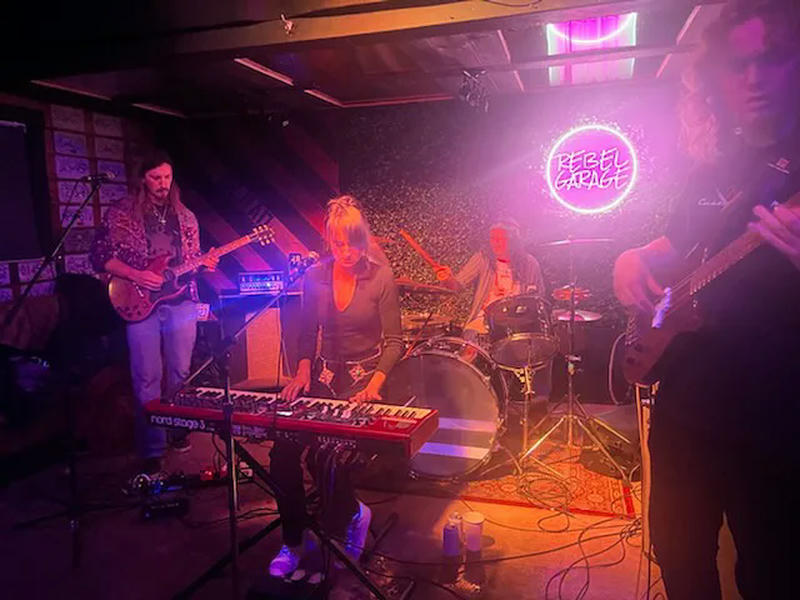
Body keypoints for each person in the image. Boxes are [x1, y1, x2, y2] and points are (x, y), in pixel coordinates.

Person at [613, 2, 800, 598]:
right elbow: (681, 245)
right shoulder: (708, 169)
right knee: (678, 553)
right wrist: (632, 257)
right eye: (738, 64)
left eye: (771, 58)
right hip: (687, 405)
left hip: (774, 412)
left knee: (772, 572)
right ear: (716, 78)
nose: (753, 78)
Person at [268, 195, 403, 577]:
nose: (346, 252)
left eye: (353, 243)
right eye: (339, 244)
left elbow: (394, 342)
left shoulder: (381, 277)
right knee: (282, 454)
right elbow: (306, 332)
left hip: (363, 381)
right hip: (323, 378)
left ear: (364, 240)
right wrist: (302, 373)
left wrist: (375, 384)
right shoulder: (315, 276)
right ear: (329, 241)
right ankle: (294, 540)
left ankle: (349, 519)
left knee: (330, 457)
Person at [90, 150, 218, 475]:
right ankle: (151, 449)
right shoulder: (122, 212)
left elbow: (191, 262)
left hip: (181, 301)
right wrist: (136, 274)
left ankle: (177, 431)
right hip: (139, 302)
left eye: (167, 177)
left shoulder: (186, 217)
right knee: (146, 376)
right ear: (142, 179)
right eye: (155, 177)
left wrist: (205, 264)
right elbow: (100, 256)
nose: (163, 184)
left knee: (180, 372)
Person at [435, 218, 545, 342]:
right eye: (493, 239)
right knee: (471, 339)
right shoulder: (483, 259)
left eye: (501, 239)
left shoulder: (530, 264)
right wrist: (447, 279)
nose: (495, 243)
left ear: (514, 241)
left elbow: (539, 298)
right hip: (484, 321)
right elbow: (456, 286)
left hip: (519, 324)